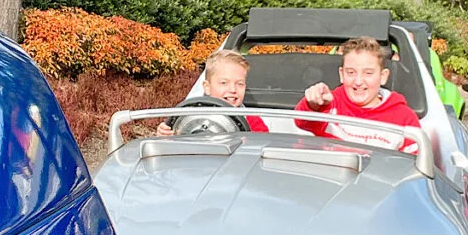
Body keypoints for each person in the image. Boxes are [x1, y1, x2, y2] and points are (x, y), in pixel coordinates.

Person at [294, 36, 422, 153]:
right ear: (341, 74)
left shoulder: (404, 118)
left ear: (383, 76)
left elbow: (415, 165)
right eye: (351, 72)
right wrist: (313, 104)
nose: (358, 81)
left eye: (368, 73)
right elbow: (302, 121)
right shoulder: (330, 105)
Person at [156, 49, 269, 136]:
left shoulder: (252, 121)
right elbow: (172, 144)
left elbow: (263, 145)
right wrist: (164, 134)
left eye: (239, 84)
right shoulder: (189, 115)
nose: (233, 90)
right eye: (224, 83)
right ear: (207, 87)